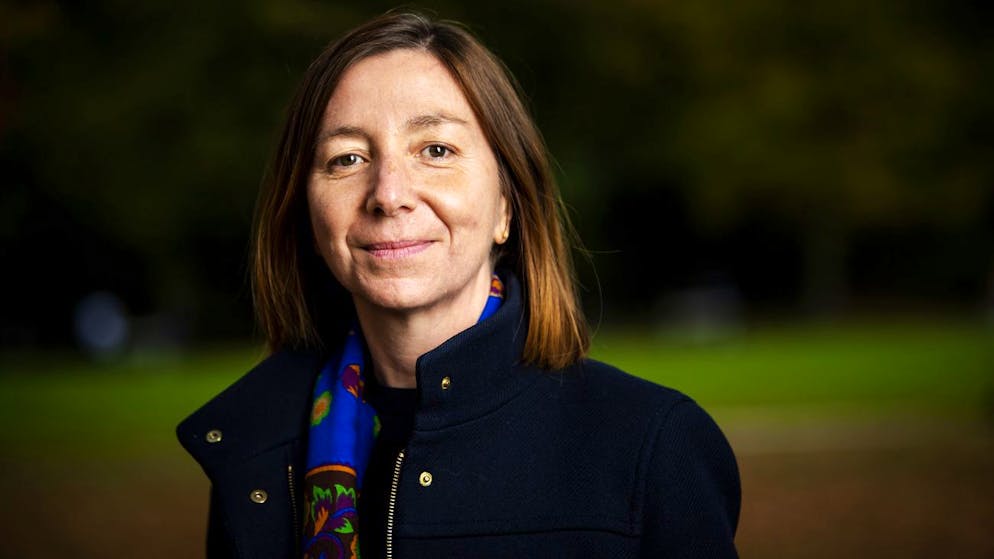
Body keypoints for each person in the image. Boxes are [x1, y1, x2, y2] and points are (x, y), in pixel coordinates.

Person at [178, 10, 740, 559]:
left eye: (436, 151)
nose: (388, 194)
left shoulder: (653, 445)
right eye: (347, 158)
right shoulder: (253, 449)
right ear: (307, 213)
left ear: (506, 205)